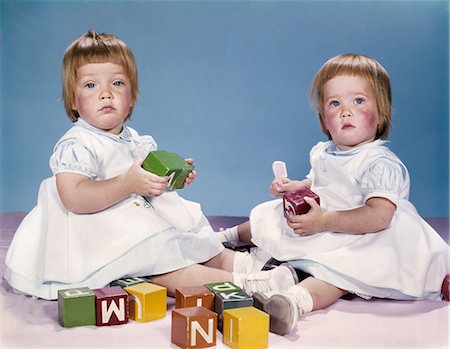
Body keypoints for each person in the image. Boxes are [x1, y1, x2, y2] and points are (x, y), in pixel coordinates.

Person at [3, 30, 298, 301]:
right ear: (73, 99)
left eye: (117, 83)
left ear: (131, 98)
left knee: (189, 242)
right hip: (96, 227)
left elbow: (146, 184)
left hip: (137, 216)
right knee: (163, 267)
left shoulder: (135, 141)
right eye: (91, 85)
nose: (106, 93)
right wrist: (127, 184)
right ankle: (244, 283)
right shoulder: (77, 144)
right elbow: (74, 197)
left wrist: (170, 178)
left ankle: (255, 265)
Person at [219, 53, 449, 335]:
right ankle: (225, 237)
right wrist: (295, 187)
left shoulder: (379, 162)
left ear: (382, 113)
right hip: (326, 219)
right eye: (335, 103)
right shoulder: (325, 152)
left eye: (359, 101)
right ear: (323, 117)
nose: (345, 111)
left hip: (365, 232)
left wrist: (324, 221)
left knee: (339, 273)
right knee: (270, 214)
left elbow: (379, 215)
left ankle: (295, 301)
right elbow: (318, 182)